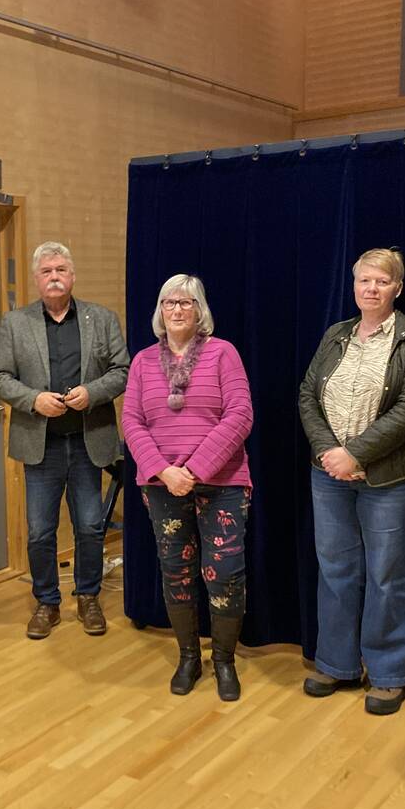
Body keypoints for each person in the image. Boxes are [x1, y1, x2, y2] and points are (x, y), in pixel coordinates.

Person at [297, 248, 405, 715]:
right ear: (354, 285)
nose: (371, 289)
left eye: (381, 281)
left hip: (392, 478)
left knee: (387, 575)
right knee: (336, 570)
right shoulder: (336, 334)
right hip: (329, 474)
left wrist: (355, 453)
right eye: (364, 281)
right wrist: (329, 453)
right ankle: (336, 664)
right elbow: (307, 394)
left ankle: (389, 674)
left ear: (397, 287)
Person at [0, 241, 130, 639]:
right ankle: (47, 602)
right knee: (39, 530)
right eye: (47, 271)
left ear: (72, 276)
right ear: (37, 279)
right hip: (41, 445)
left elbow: (123, 369)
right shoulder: (15, 323)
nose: (54, 277)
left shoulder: (101, 319)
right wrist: (33, 399)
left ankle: (88, 597)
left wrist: (93, 393)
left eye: (61, 270)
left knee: (89, 526)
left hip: (89, 442)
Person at [123, 275, 254, 700]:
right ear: (159, 311)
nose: (176, 310)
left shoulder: (223, 354)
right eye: (168, 303)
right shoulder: (142, 361)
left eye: (185, 302)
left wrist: (194, 469)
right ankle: (188, 657)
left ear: (200, 310)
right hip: (162, 485)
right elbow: (131, 422)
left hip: (222, 482)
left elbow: (240, 415)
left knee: (225, 573)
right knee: (175, 569)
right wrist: (164, 471)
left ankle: (223, 660)